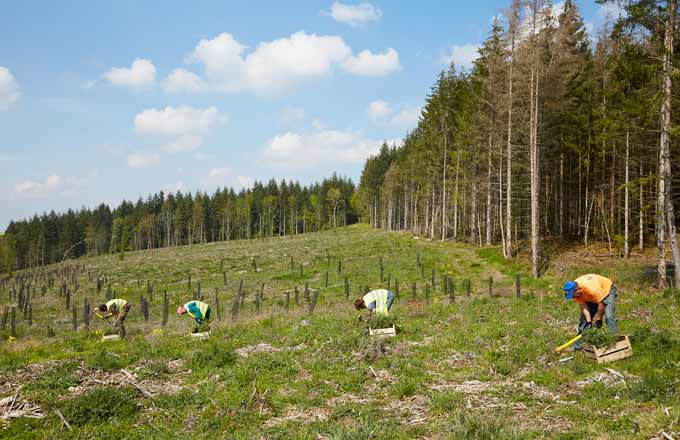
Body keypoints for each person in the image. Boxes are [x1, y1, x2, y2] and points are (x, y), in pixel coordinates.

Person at [563, 274, 618, 349]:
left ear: (577, 289)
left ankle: (614, 342)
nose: (573, 297)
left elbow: (601, 303)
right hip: (591, 296)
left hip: (607, 291)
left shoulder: (593, 289)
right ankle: (578, 345)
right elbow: (583, 306)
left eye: (573, 295)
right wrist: (589, 322)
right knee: (584, 322)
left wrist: (599, 319)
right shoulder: (575, 293)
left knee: (609, 316)